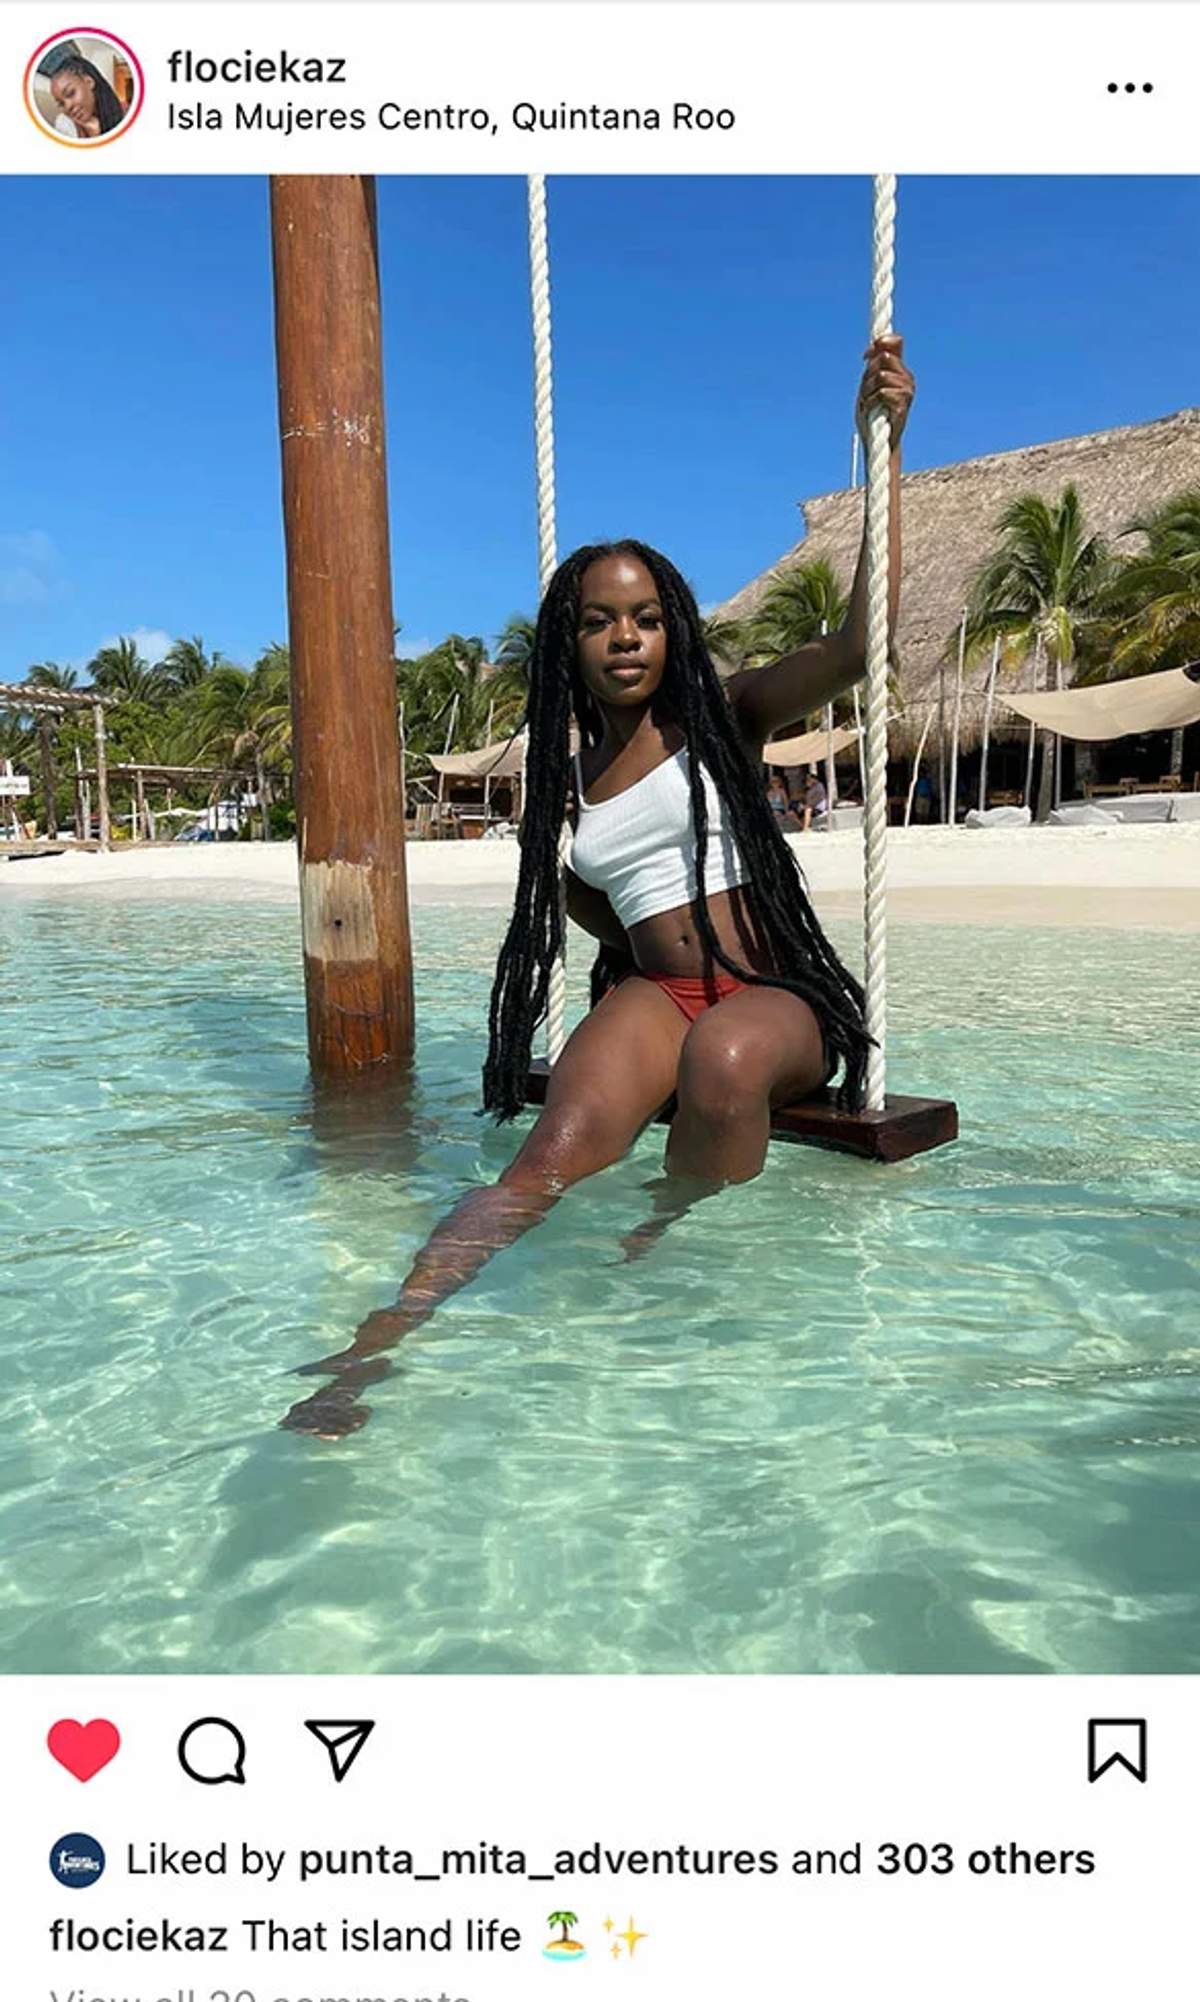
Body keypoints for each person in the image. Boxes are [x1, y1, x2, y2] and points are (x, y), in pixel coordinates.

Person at [284, 336, 913, 1437]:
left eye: (646, 616)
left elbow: (863, 642)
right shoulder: (563, 784)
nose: (625, 635)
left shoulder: (726, 715)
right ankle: (379, 1343)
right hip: (658, 995)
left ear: (671, 628)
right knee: (539, 1168)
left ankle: (675, 1264)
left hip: (774, 1000)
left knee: (722, 1060)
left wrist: (887, 447)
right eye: (598, 620)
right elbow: (594, 909)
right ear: (567, 645)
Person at [46, 51, 126, 138]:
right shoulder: (65, 124)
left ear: (89, 82)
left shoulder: (124, 118)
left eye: (70, 93)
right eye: (61, 103)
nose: (67, 106)